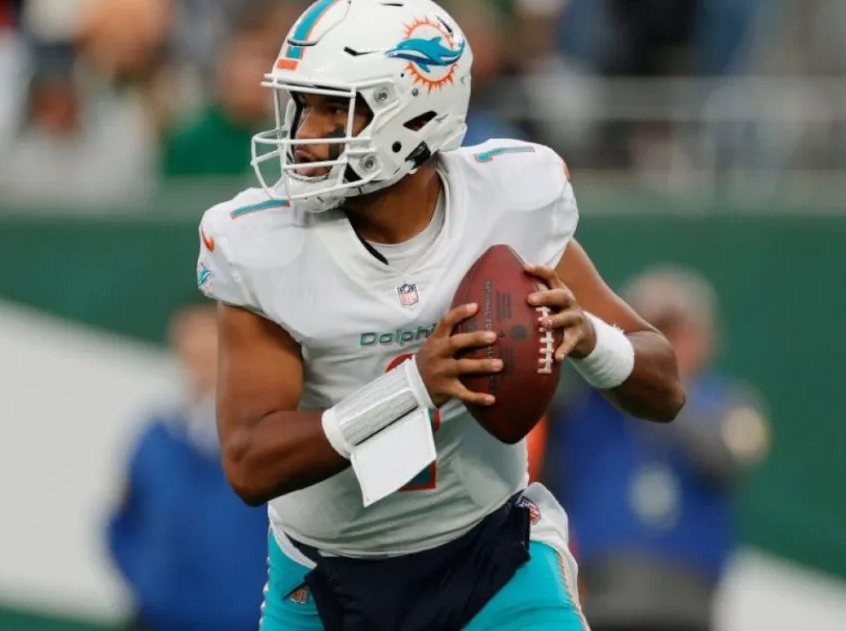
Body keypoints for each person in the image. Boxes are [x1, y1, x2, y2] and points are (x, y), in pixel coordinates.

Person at [195, 1, 686, 629]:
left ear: (414, 111)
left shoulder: (509, 203)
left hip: (493, 562)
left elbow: (666, 388)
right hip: (326, 581)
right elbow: (248, 460)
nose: (306, 132)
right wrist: (412, 390)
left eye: (334, 109)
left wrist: (591, 340)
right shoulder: (264, 245)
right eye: (303, 105)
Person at [545, 266, 770, 631]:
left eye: (675, 329)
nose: (665, 340)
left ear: (706, 337)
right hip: (597, 598)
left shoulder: (733, 405)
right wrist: (618, 358)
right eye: (651, 328)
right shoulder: (583, 404)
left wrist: (662, 384)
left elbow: (726, 457)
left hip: (688, 604)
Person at [106, 299, 270, 631]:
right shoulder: (155, 436)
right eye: (190, 340)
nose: (200, 352)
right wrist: (150, 586)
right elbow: (123, 520)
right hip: (160, 620)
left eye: (212, 339)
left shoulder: (271, 431)